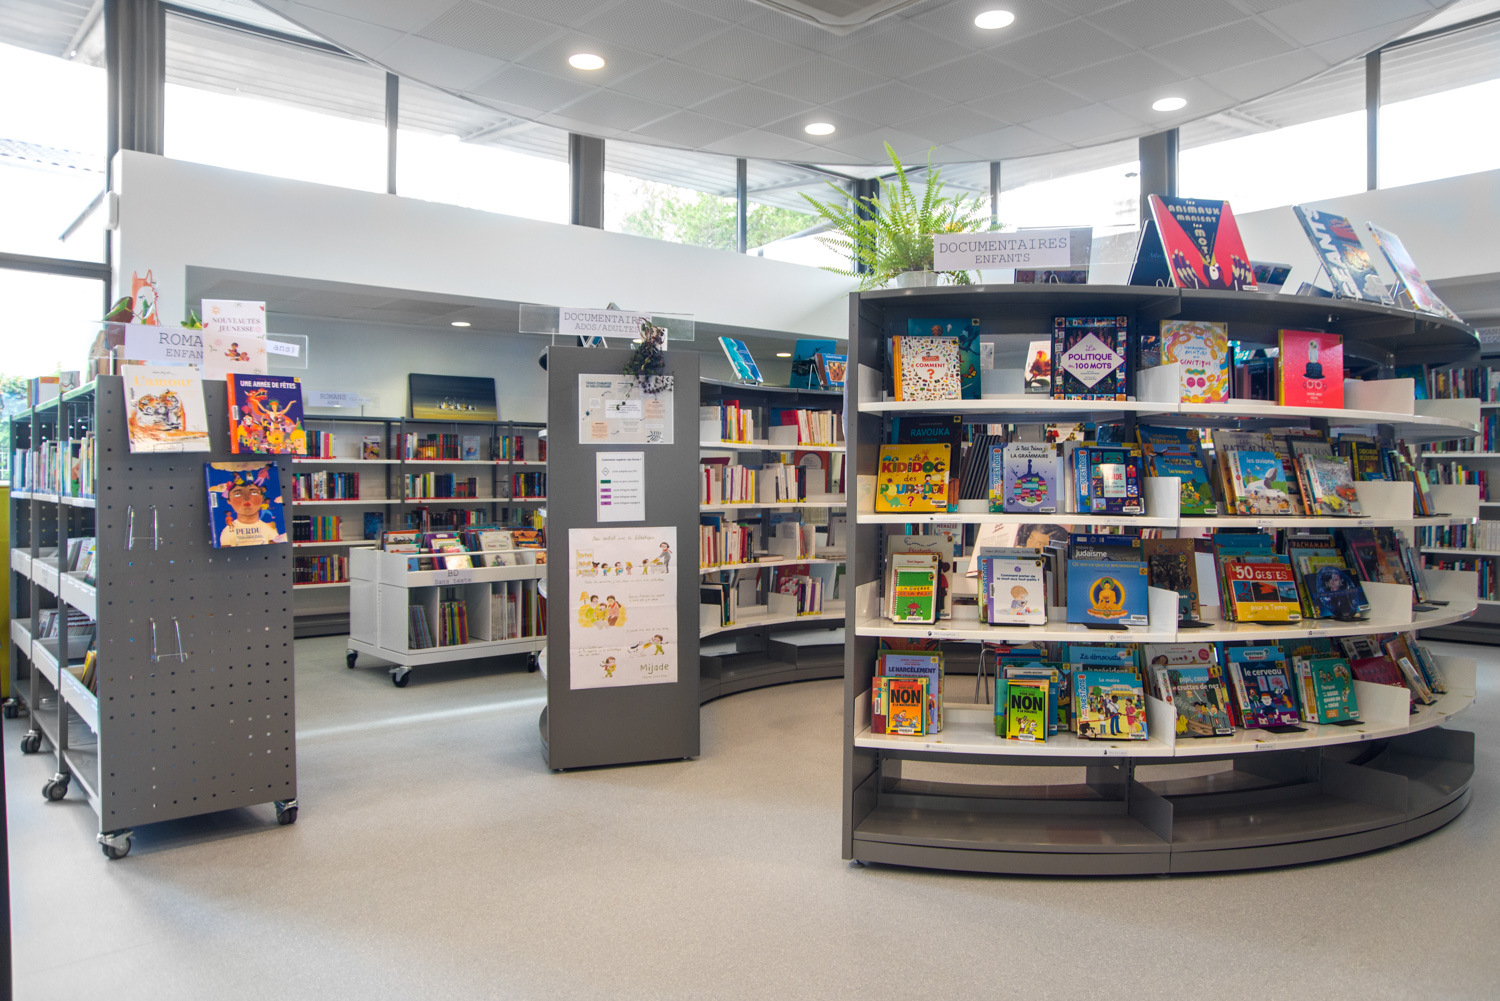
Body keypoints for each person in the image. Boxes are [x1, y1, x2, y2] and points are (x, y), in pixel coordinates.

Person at [217, 470, 283, 546]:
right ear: (229, 501)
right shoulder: (227, 532)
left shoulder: (269, 529)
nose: (246, 498)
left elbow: (276, 550)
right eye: (238, 494)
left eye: (254, 493)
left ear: (262, 498)